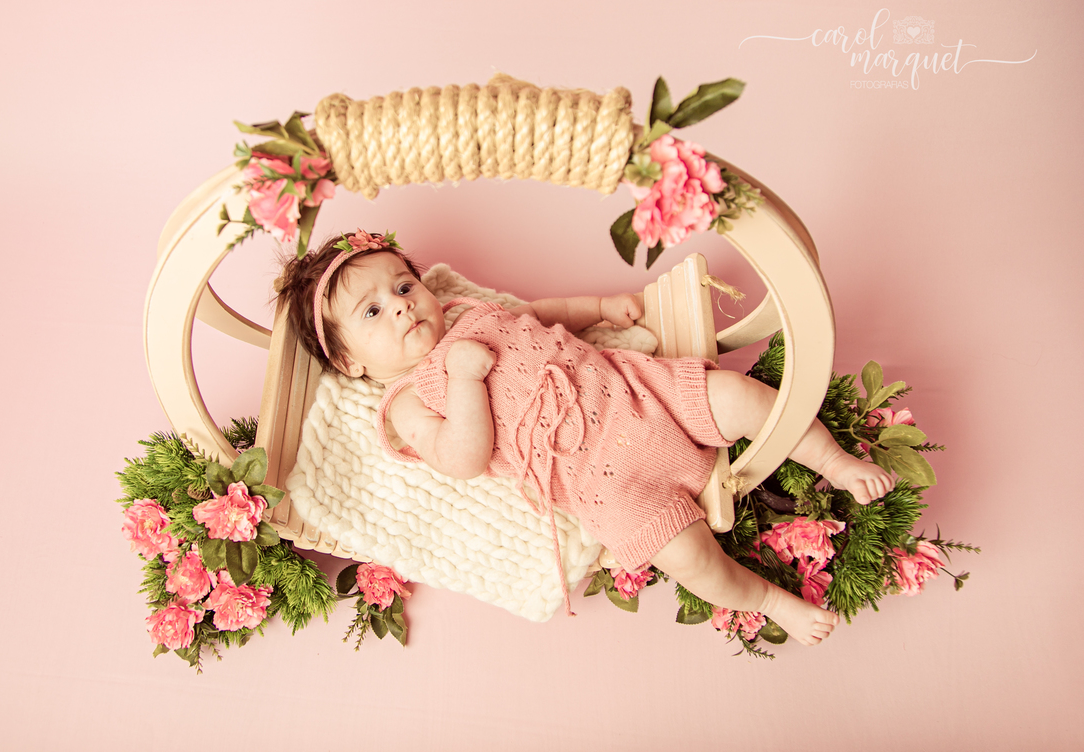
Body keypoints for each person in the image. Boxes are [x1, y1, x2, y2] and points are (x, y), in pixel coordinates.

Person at [276, 230, 896, 645]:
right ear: (352, 362)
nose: (403, 306)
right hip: (601, 483)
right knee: (689, 559)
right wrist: (465, 381)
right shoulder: (408, 401)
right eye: (373, 313)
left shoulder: (465, 312)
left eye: (403, 287)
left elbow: (539, 313)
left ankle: (835, 462)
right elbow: (460, 460)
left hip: (634, 392)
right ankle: (768, 599)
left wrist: (598, 305)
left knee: (740, 397)